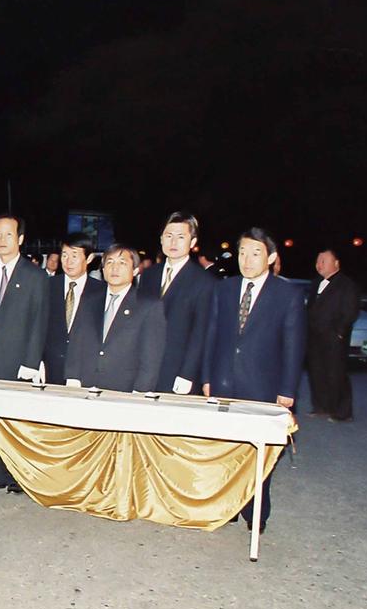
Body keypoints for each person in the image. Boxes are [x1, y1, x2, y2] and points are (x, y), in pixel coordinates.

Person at [202, 227, 306, 533]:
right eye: (243, 252)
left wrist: (287, 390)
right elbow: (212, 334)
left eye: (255, 253)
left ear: (271, 257)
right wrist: (207, 376)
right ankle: (228, 506)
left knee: (259, 452)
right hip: (223, 381)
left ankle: (257, 510)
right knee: (225, 448)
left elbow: (293, 345)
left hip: (263, 385)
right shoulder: (224, 288)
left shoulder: (287, 294)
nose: (247, 260)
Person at [0, 213, 49, 491]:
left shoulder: (35, 276)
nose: (2, 240)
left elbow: (39, 321)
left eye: (8, 234)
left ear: (21, 239)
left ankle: (17, 477)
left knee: (17, 420)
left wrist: (31, 360)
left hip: (19, 360)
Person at [65, 244, 166, 393]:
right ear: (103, 269)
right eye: (110, 262)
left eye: (122, 263)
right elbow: (76, 341)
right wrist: (72, 378)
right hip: (86, 386)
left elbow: (151, 358)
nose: (115, 268)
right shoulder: (88, 301)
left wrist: (140, 391)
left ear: (136, 270)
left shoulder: (149, 306)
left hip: (125, 390)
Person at [138, 212, 217, 395]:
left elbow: (201, 333)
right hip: (145, 369)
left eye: (181, 237)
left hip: (178, 372)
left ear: (193, 242)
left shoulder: (204, 282)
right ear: (161, 239)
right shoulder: (149, 275)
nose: (173, 242)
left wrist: (187, 374)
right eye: (169, 236)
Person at [42, 233, 105, 385]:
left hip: (86, 371)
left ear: (89, 258)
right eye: (64, 255)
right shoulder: (47, 286)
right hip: (50, 368)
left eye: (74, 255)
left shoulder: (102, 292)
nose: (68, 261)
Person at [306, 247, 360, 421]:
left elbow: (350, 310)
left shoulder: (346, 284)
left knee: (336, 373)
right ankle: (321, 406)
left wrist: (340, 333)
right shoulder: (315, 283)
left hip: (334, 337)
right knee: (317, 372)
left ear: (336, 263)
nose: (319, 264)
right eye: (317, 261)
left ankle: (342, 412)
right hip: (315, 337)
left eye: (324, 261)